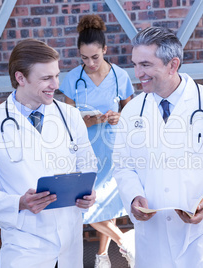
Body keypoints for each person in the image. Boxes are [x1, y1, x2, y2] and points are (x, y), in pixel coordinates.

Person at [112, 27, 203, 267]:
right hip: (152, 236)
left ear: (172, 65)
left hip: (199, 239)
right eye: (135, 64)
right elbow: (123, 165)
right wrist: (134, 196)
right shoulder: (133, 110)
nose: (138, 73)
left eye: (145, 65)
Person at [0, 39, 97, 268]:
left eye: (56, 75)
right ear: (20, 78)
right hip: (24, 248)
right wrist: (20, 203)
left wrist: (89, 193)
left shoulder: (70, 116)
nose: (55, 84)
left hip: (70, 243)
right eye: (46, 78)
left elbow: (88, 164)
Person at [59, 14, 135, 268]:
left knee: (108, 204)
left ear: (105, 50)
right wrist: (86, 121)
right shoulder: (71, 79)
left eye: (95, 57)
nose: (89, 63)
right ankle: (125, 243)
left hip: (112, 148)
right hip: (82, 150)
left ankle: (102, 257)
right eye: (84, 58)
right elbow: (66, 122)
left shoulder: (120, 76)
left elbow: (134, 115)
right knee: (87, 205)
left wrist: (118, 116)